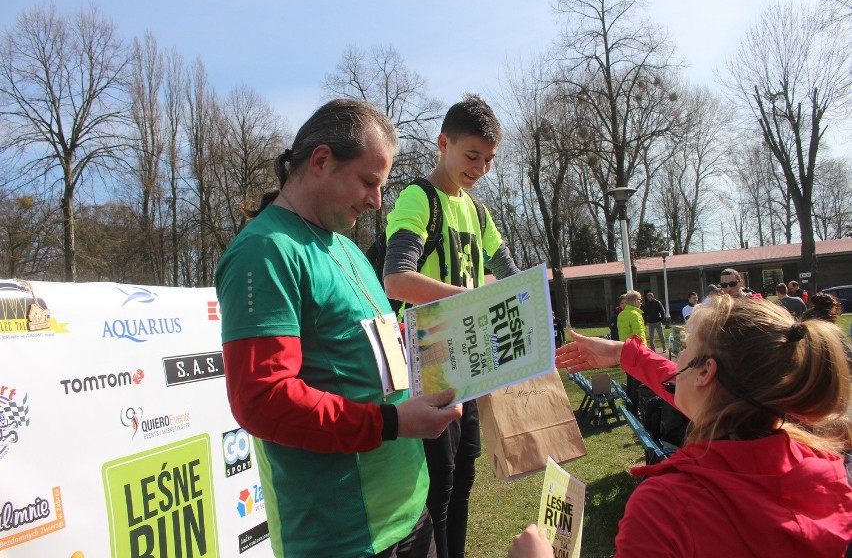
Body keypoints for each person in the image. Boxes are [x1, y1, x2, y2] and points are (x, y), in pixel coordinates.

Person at [215, 99, 463, 558]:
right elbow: (262, 400)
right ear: (322, 160)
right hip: (343, 538)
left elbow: (377, 354)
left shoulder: (347, 250)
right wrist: (391, 422)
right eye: (369, 182)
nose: (376, 200)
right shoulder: (264, 253)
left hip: (410, 514)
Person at [510, 296, 852, 558]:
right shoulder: (826, 472)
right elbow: (697, 392)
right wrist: (623, 354)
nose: (677, 361)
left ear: (705, 373)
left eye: (686, 349)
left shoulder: (666, 508)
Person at [383, 94, 520, 558]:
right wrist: (469, 299)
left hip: (472, 366)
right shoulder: (418, 197)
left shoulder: (478, 212)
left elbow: (510, 273)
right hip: (430, 366)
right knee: (437, 494)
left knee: (463, 484)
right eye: (472, 156)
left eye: (489, 160)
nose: (480, 168)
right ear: (443, 143)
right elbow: (397, 278)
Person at [618, 290, 647, 411]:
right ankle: (635, 408)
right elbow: (639, 336)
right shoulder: (635, 315)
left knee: (630, 381)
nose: (641, 303)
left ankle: (630, 406)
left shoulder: (622, 314)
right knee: (638, 383)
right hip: (637, 353)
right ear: (635, 301)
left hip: (626, 351)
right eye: (640, 300)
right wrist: (645, 352)